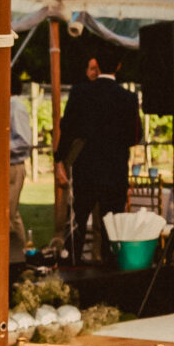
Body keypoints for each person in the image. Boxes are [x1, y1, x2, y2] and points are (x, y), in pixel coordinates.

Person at [57, 55, 144, 259]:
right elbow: (136, 136)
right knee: (111, 227)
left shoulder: (80, 92)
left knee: (77, 222)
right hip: (115, 171)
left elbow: (67, 128)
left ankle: (71, 265)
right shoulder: (128, 98)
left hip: (86, 169)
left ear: (97, 67)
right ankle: (109, 270)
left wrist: (59, 159)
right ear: (119, 66)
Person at [6, 92, 35, 254]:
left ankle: (18, 254)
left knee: (8, 214)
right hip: (4, 166)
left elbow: (24, 141)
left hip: (13, 165)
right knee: (8, 214)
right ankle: (17, 253)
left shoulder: (15, 107)